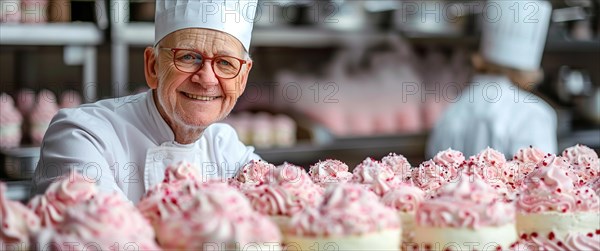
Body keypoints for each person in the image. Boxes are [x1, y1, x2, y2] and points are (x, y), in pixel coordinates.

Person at [32, 0, 260, 203]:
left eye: (225, 63)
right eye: (188, 57)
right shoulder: (83, 135)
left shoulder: (226, 148)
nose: (207, 79)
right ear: (153, 67)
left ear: (242, 79)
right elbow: (102, 234)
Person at [427, 0, 557, 158]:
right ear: (531, 70)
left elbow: (433, 173)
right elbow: (543, 178)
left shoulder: (452, 111)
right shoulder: (534, 115)